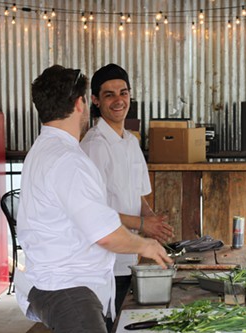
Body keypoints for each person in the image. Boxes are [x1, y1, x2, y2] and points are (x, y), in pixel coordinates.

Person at [15, 65, 173, 333]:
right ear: (81, 103)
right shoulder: (70, 160)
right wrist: (146, 245)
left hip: (56, 285)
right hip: (70, 290)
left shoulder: (44, 149)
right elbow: (105, 233)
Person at [80, 63, 175, 312]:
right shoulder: (94, 146)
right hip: (104, 261)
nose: (118, 100)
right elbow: (94, 212)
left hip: (130, 255)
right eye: (109, 94)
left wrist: (152, 220)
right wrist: (144, 226)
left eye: (123, 92)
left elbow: (137, 194)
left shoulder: (131, 141)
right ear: (95, 101)